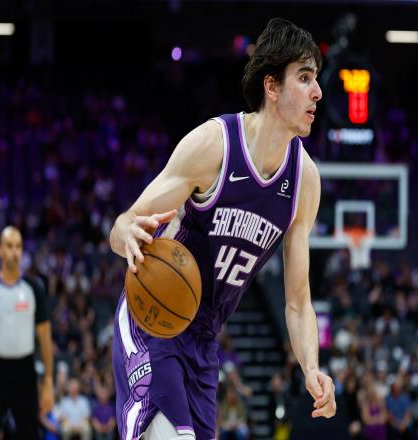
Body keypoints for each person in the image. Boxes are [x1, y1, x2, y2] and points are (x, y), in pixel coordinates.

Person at [109, 17, 336, 440]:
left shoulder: (304, 181)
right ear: (272, 87)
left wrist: (311, 367)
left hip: (204, 342)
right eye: (305, 78)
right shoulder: (215, 145)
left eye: (316, 79)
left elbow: (298, 302)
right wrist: (125, 234)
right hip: (155, 321)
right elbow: (125, 222)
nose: (317, 91)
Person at [0, 226, 55, 439]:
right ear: (0, 251)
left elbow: (45, 338)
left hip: (25, 371)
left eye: (19, 246)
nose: (15, 251)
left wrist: (48, 382)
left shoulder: (33, 289)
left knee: (29, 433)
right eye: (10, 246)